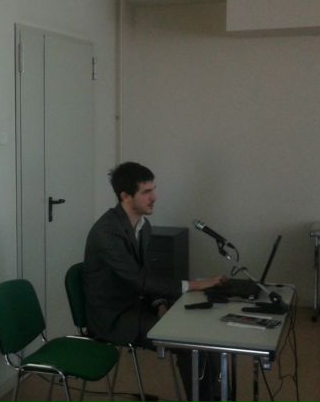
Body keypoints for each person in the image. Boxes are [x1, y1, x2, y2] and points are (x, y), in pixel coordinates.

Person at [83, 161, 224, 401]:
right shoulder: (106, 232)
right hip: (113, 318)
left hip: (135, 305)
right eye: (146, 192)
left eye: (153, 190)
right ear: (125, 196)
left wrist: (159, 302)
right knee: (191, 345)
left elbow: (145, 275)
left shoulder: (143, 226)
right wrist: (195, 285)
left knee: (206, 337)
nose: (154, 197)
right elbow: (138, 279)